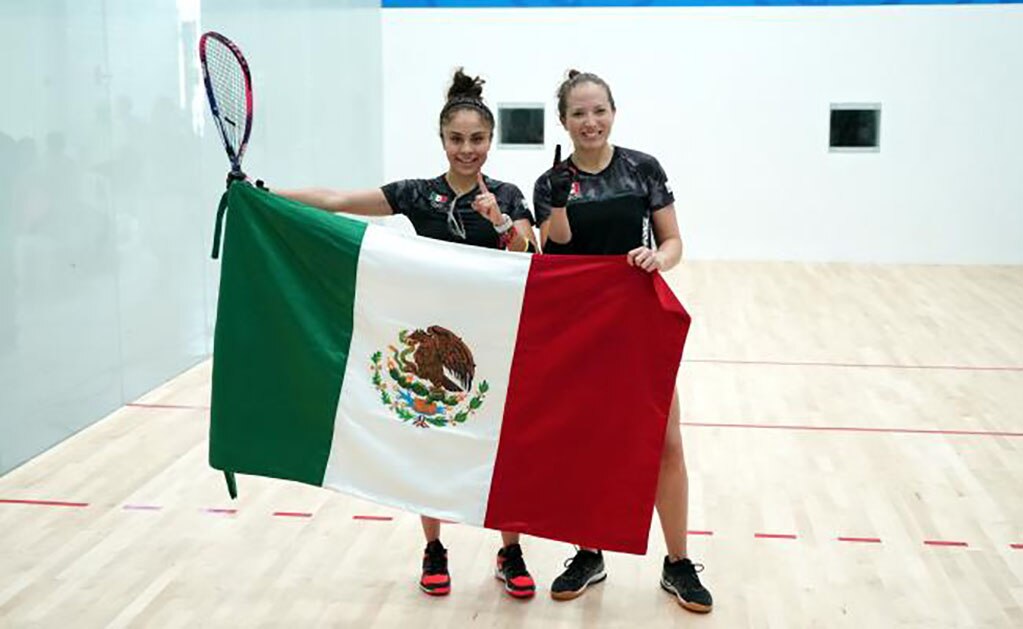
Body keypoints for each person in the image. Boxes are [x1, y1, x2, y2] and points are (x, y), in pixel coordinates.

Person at [275, 68, 539, 600]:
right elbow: (334, 200)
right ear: (441, 140)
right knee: (432, 442)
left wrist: (501, 222)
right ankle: (434, 547)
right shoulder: (418, 195)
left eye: (478, 140)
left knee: (502, 445)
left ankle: (510, 550)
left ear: (492, 140)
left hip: (497, 340)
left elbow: (531, 256)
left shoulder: (508, 193)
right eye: (457, 139)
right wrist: (265, 194)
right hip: (436, 339)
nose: (468, 150)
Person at [532, 70, 713, 614]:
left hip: (637, 320)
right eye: (579, 114)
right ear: (564, 121)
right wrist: (559, 207)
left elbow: (673, 239)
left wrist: (659, 257)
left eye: (599, 110)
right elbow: (555, 253)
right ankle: (588, 553)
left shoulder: (642, 169)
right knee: (587, 446)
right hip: (580, 329)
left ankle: (678, 562)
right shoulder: (549, 183)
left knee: (667, 445)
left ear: (614, 112)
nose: (590, 122)